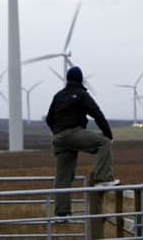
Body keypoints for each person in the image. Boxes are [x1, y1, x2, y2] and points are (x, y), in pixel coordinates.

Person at [46, 66, 119, 218]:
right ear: (80, 79)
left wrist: (58, 132)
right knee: (103, 143)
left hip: (58, 138)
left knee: (63, 177)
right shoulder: (81, 94)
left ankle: (62, 214)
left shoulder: (58, 95)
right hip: (73, 133)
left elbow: (49, 118)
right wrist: (108, 134)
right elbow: (97, 113)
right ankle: (103, 179)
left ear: (67, 79)